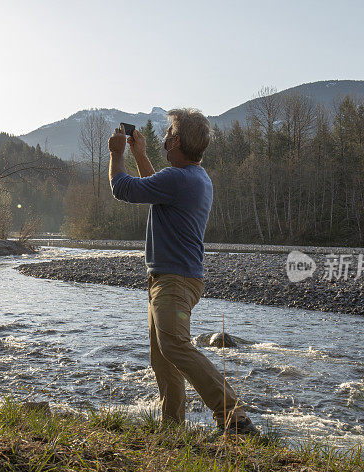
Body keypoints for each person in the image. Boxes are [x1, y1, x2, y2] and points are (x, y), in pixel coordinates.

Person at [108, 108, 258, 439]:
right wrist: (140, 153)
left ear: (176, 140)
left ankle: (234, 418)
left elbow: (123, 188)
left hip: (174, 280)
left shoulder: (179, 179)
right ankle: (172, 429)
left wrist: (117, 154)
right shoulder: (193, 178)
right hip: (173, 278)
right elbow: (153, 187)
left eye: (167, 135)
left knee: (174, 346)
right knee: (164, 355)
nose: (164, 139)